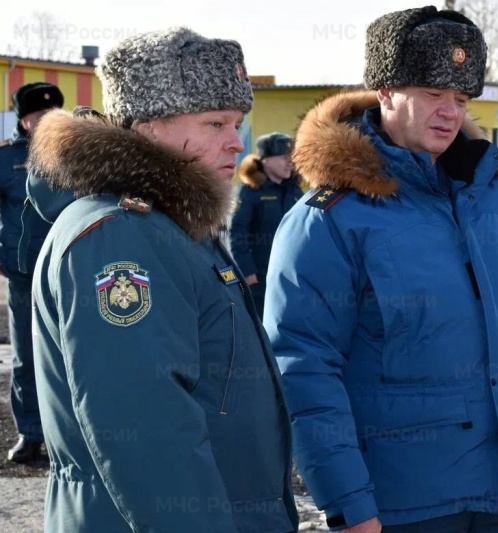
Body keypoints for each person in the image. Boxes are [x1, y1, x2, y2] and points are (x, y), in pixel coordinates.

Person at [263, 6, 498, 533]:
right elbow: (305, 367)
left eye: (461, 99)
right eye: (432, 94)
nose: (450, 112)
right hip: (404, 504)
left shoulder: (490, 195)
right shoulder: (330, 218)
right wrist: (347, 502)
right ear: (384, 91)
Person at [26, 28, 298, 532]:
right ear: (149, 127)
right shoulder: (120, 237)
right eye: (215, 122)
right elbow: (150, 433)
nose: (234, 142)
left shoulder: (172, 224)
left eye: (237, 123)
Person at [0, 82, 63, 464]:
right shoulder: (5, 159)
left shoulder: (75, 154)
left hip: (67, 274)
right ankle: (31, 434)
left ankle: (67, 435)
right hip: (24, 273)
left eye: (53, 114)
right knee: (26, 356)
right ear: (23, 122)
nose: (46, 122)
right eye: (38, 117)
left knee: (70, 355)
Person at [229, 132, 303, 317]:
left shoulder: (294, 191)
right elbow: (238, 233)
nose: (289, 162)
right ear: (265, 161)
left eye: (292, 158)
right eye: (284, 157)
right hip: (260, 276)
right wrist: (248, 271)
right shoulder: (250, 192)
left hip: (292, 274)